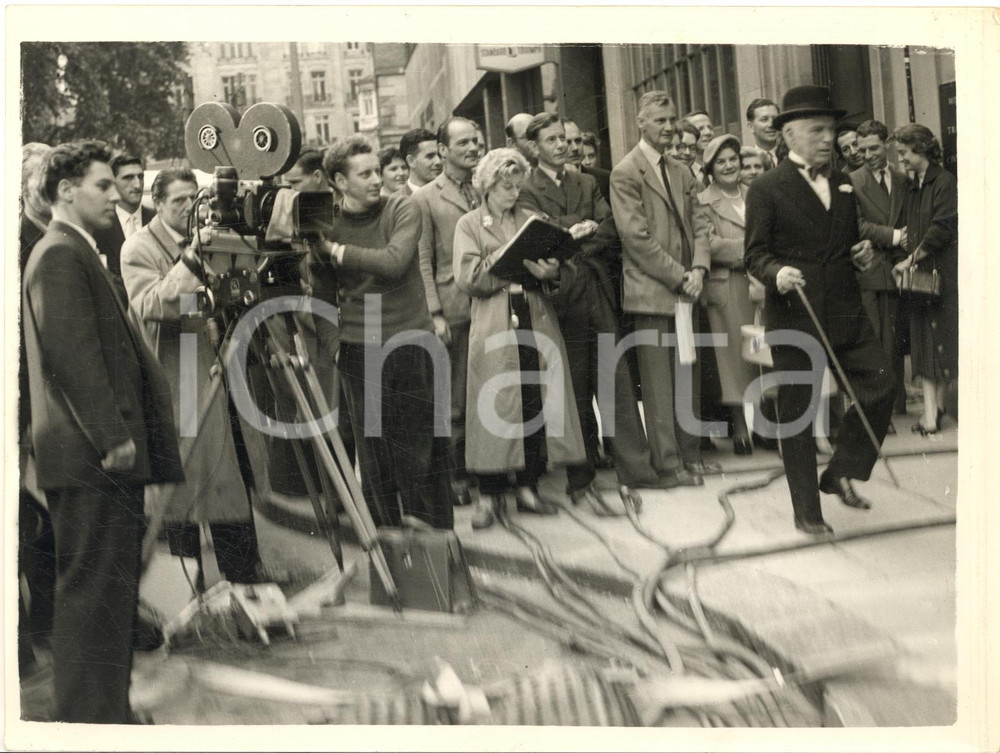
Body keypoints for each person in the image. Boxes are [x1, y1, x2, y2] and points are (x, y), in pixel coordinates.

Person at [23, 140, 183, 722]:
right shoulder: (60, 254)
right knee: (94, 593)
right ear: (66, 191)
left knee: (109, 592)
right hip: (95, 458)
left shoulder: (74, 250)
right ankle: (89, 718)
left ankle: (104, 709)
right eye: (102, 185)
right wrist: (112, 437)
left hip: (98, 456)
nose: (115, 195)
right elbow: (73, 357)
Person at [745, 85, 894, 536]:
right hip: (796, 313)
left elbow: (846, 243)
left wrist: (862, 253)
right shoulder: (766, 188)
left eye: (831, 130)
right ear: (789, 135)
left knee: (881, 384)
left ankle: (840, 470)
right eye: (816, 130)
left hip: (845, 309)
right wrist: (777, 274)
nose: (828, 139)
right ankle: (807, 511)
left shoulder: (844, 184)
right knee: (799, 413)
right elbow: (754, 255)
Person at [121, 168, 264, 588]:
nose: (189, 208)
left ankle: (243, 577)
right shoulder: (138, 248)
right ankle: (182, 587)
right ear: (158, 202)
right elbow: (152, 304)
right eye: (179, 201)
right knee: (179, 486)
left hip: (219, 364)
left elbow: (238, 292)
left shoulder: (212, 234)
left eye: (192, 198)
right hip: (175, 370)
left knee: (228, 476)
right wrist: (191, 259)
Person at [518, 112, 662, 509]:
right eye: (552, 140)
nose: (562, 145)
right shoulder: (526, 189)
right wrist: (578, 230)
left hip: (594, 287)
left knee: (613, 377)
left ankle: (635, 468)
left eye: (564, 138)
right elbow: (540, 235)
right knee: (574, 385)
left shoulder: (586, 181)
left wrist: (570, 237)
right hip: (559, 296)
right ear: (534, 148)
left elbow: (610, 227)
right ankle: (581, 477)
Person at [316, 135, 453, 529]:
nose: (378, 179)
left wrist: (336, 252)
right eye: (366, 173)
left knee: (423, 448)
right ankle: (393, 548)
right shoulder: (328, 225)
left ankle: (437, 546)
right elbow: (322, 294)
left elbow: (394, 262)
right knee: (374, 456)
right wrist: (333, 345)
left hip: (412, 341)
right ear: (341, 182)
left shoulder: (402, 208)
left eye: (378, 170)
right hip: (360, 348)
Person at [454, 148, 586, 529]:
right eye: (505, 185)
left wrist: (550, 271)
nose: (513, 192)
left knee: (532, 402)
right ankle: (489, 494)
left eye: (516, 185)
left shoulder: (531, 218)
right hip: (495, 322)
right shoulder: (469, 224)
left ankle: (528, 488)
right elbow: (468, 278)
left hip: (534, 317)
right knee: (494, 405)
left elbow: (562, 272)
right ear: (487, 185)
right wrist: (509, 258)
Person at [611, 90, 719, 488]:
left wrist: (700, 267)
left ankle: (691, 455)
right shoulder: (626, 172)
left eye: (671, 119)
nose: (669, 127)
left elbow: (702, 223)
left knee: (686, 374)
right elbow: (636, 238)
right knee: (658, 385)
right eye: (660, 120)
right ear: (640, 122)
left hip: (687, 289)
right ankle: (669, 463)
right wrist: (681, 275)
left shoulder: (682, 170)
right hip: (653, 293)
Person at [411, 116, 482, 507]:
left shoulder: (483, 187)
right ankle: (454, 475)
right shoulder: (425, 197)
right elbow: (422, 260)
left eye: (475, 142)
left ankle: (483, 467)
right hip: (452, 306)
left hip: (489, 302)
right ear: (442, 151)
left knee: (484, 391)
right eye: (463, 144)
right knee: (453, 398)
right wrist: (435, 313)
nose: (472, 149)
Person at [890, 124, 958, 436]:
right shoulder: (914, 185)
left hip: (938, 275)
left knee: (935, 345)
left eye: (904, 152)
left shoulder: (943, 182)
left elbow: (941, 228)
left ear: (920, 148)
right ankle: (936, 409)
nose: (901, 159)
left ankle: (932, 416)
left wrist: (910, 258)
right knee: (926, 345)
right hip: (922, 278)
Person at [694, 135, 757, 455]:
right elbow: (710, 245)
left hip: (759, 286)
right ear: (710, 168)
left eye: (733, 159)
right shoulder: (703, 201)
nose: (729, 166)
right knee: (732, 360)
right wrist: (756, 252)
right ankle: (740, 428)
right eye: (721, 161)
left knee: (761, 354)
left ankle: (765, 426)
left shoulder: (756, 193)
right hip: (728, 287)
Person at [18, 143, 56, 674]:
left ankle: (47, 622)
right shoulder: (19, 242)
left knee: (45, 519)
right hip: (27, 404)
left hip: (50, 405)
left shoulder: (57, 236)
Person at [851, 119, 909, 428]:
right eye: (862, 150)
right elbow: (856, 224)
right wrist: (896, 236)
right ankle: (878, 410)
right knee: (874, 341)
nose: (869, 155)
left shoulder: (902, 179)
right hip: (871, 272)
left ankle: (895, 402)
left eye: (874, 148)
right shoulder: (853, 181)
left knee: (894, 339)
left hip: (899, 270)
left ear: (886, 144)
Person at [93, 153, 155, 277]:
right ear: (112, 182)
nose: (137, 185)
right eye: (128, 178)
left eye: (140, 177)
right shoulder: (99, 227)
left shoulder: (158, 220)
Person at [399, 128, 442, 195]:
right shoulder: (397, 202)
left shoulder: (451, 194)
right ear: (411, 161)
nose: (439, 161)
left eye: (439, 155)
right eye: (430, 156)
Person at [745, 98, 781, 169]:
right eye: (764, 119)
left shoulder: (791, 156)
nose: (771, 124)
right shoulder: (745, 162)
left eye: (775, 119)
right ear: (751, 127)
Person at [685, 110, 715, 187]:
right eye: (700, 129)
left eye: (710, 127)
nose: (708, 132)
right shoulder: (682, 171)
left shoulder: (720, 167)